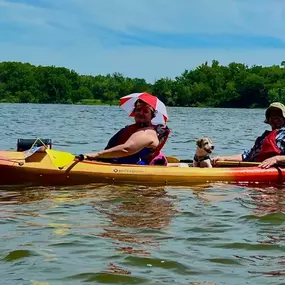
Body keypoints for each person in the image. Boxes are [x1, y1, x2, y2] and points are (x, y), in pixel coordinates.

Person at [85, 99, 170, 165]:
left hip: (136, 168)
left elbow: (126, 149)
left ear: (152, 115)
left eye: (145, 111)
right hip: (118, 162)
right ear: (134, 112)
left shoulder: (147, 133)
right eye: (138, 109)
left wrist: (97, 155)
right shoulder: (133, 129)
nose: (141, 113)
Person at [212, 102, 285, 169]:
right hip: (259, 167)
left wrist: (276, 159)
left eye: (279, 114)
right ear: (268, 120)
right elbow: (247, 156)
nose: (275, 117)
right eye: (272, 115)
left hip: (275, 168)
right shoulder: (263, 138)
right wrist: (224, 159)